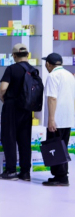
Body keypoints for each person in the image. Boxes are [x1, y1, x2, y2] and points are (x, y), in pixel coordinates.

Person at [0, 43, 33, 181]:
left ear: (14, 55)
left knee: (9, 137)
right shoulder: (33, 70)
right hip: (27, 108)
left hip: (12, 107)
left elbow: (3, 88)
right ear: (27, 55)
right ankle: (25, 172)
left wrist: (3, 98)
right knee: (25, 140)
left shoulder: (11, 69)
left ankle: (11, 171)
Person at [41, 53, 75, 187]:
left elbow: (52, 98)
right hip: (67, 118)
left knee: (55, 148)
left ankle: (61, 177)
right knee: (62, 147)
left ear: (48, 64)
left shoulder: (52, 76)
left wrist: (51, 119)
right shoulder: (69, 75)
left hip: (56, 118)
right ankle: (61, 176)